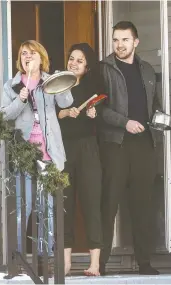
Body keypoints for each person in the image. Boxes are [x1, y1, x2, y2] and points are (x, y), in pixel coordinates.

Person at [98, 21, 162, 275]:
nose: (119, 45)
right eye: (116, 40)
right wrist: (125, 123)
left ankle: (144, 263)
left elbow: (153, 105)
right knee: (109, 203)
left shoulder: (147, 70)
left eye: (125, 40)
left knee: (143, 205)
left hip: (145, 145)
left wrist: (160, 121)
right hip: (117, 145)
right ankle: (99, 263)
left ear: (136, 42)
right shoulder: (103, 69)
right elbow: (99, 109)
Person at [0, 40, 73, 259]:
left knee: (48, 208)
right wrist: (21, 99)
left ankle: (44, 259)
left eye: (32, 53)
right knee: (24, 207)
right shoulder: (12, 85)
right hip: (24, 156)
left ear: (42, 57)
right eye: (23, 53)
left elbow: (66, 102)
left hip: (49, 155)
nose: (27, 57)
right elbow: (3, 116)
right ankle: (18, 258)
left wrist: (61, 81)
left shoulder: (48, 81)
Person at [57, 43, 103, 276]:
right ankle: (65, 263)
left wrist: (93, 112)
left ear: (87, 66)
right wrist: (64, 112)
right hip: (63, 148)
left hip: (88, 147)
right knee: (65, 203)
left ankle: (94, 264)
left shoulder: (93, 86)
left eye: (80, 60)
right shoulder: (57, 84)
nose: (73, 63)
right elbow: (48, 115)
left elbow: (101, 114)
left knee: (91, 202)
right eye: (71, 58)